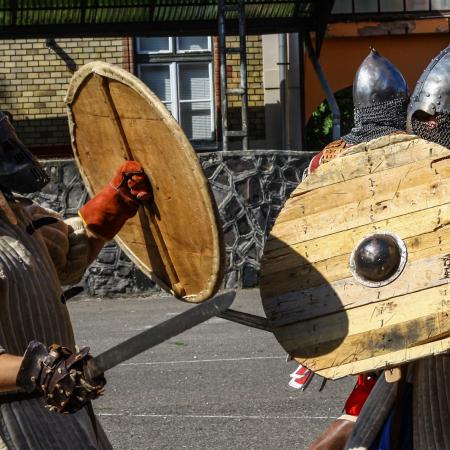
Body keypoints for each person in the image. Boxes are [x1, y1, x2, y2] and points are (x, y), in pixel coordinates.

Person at [0, 110, 152, 449]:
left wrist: (113, 205)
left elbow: (68, 254)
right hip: (11, 428)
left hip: (64, 413)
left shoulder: (17, 215)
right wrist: (40, 369)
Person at [343, 42, 450, 450]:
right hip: (396, 336)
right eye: (418, 119)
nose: (426, 128)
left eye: (434, 120)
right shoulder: (402, 169)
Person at [304, 49, 409, 450]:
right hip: (393, 289)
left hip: (347, 298)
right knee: (372, 400)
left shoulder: (325, 160)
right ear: (400, 103)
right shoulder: (414, 155)